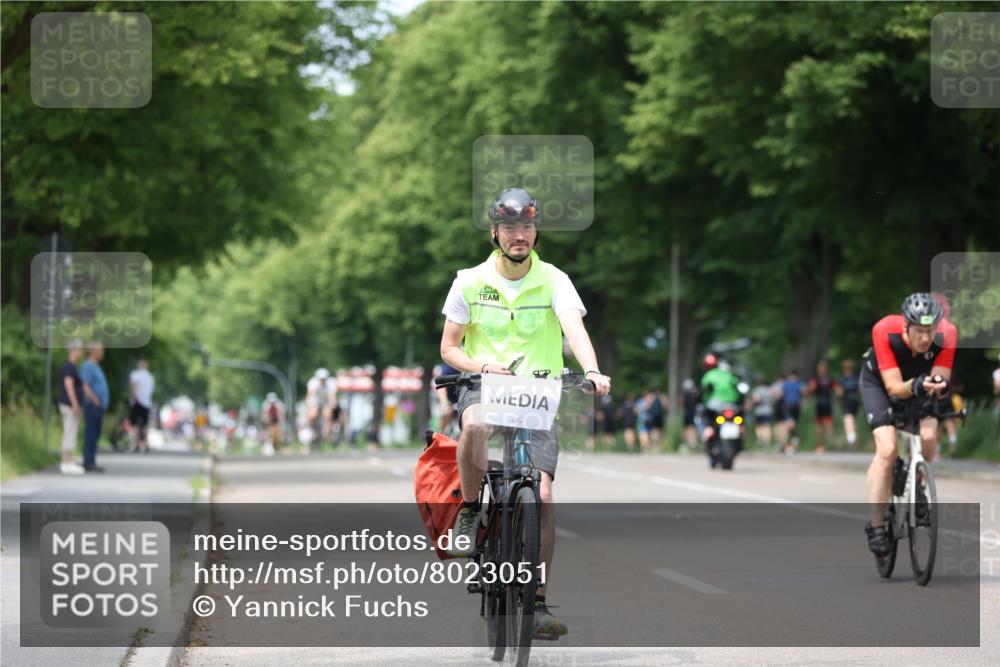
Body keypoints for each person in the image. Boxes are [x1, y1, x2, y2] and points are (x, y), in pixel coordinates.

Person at [439, 187, 611, 639]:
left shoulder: (555, 279)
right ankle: (472, 512)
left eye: (527, 227)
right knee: (474, 427)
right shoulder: (469, 282)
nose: (520, 235)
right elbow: (449, 347)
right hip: (486, 384)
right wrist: (482, 366)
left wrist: (591, 369)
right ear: (494, 233)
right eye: (510, 228)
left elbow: (574, 328)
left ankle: (535, 603)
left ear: (536, 232)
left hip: (538, 392)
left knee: (545, 496)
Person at [862, 292, 957, 556]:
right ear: (906, 326)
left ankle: (916, 483)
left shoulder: (948, 334)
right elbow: (893, 387)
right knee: (888, 449)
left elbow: (940, 377)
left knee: (929, 438)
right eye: (918, 331)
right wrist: (915, 385)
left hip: (919, 384)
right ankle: (878, 526)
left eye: (930, 331)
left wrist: (939, 385)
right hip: (880, 385)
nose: (926, 339)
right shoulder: (884, 329)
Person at [79, 342, 108, 473]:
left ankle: (91, 461)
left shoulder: (96, 366)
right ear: (94, 351)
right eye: (101, 350)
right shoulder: (88, 366)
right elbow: (85, 385)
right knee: (90, 433)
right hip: (92, 405)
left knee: (95, 434)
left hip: (98, 406)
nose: (103, 353)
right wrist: (95, 399)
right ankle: (88, 462)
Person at [57, 341, 85, 474]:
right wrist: (75, 403)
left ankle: (67, 460)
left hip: (70, 404)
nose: (82, 352)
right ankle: (65, 462)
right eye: (80, 349)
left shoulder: (72, 366)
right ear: (74, 350)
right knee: (69, 431)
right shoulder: (69, 367)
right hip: (69, 404)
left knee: (70, 431)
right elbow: (69, 386)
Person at [807, 360, 836, 453]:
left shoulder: (818, 379)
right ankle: (826, 442)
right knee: (825, 424)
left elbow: (810, 389)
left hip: (822, 403)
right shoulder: (828, 379)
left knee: (823, 424)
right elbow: (839, 390)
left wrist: (809, 394)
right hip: (824, 403)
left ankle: (824, 444)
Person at [129, 359, 155, 453]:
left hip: (137, 401)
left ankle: (136, 443)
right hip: (147, 403)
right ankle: (146, 443)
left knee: (135, 424)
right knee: (145, 424)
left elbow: (133, 386)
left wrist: (134, 397)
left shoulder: (135, 374)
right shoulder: (150, 377)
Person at [305, 367, 336, 444]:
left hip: (325, 402)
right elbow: (310, 395)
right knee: (312, 415)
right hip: (315, 401)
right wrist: (308, 405)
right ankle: (313, 431)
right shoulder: (313, 382)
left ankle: (327, 435)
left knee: (328, 415)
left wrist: (333, 405)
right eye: (321, 379)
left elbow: (331, 396)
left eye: (324, 379)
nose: (322, 380)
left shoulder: (331, 383)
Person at [836, 358, 860, 450]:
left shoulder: (842, 379)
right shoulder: (856, 378)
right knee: (853, 420)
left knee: (848, 420)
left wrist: (837, 398)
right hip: (855, 402)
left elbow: (839, 393)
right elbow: (859, 390)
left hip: (847, 402)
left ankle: (851, 439)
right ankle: (854, 439)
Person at [781, 370, 804, 453]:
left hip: (789, 405)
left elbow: (782, 394)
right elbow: (803, 392)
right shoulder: (799, 383)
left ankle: (785, 444)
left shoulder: (786, 383)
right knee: (793, 425)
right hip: (796, 406)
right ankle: (793, 444)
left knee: (789, 425)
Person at [750, 381, 774, 448]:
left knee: (759, 426)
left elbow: (756, 399)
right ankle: (767, 441)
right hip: (769, 411)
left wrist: (752, 404)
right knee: (767, 426)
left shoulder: (757, 390)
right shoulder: (769, 390)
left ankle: (760, 439)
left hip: (759, 411)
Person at [681, 379, 699, 451]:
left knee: (687, 428)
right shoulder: (694, 393)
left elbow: (683, 404)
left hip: (688, 413)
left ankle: (688, 443)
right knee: (692, 428)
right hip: (693, 413)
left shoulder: (686, 394)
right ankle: (692, 443)